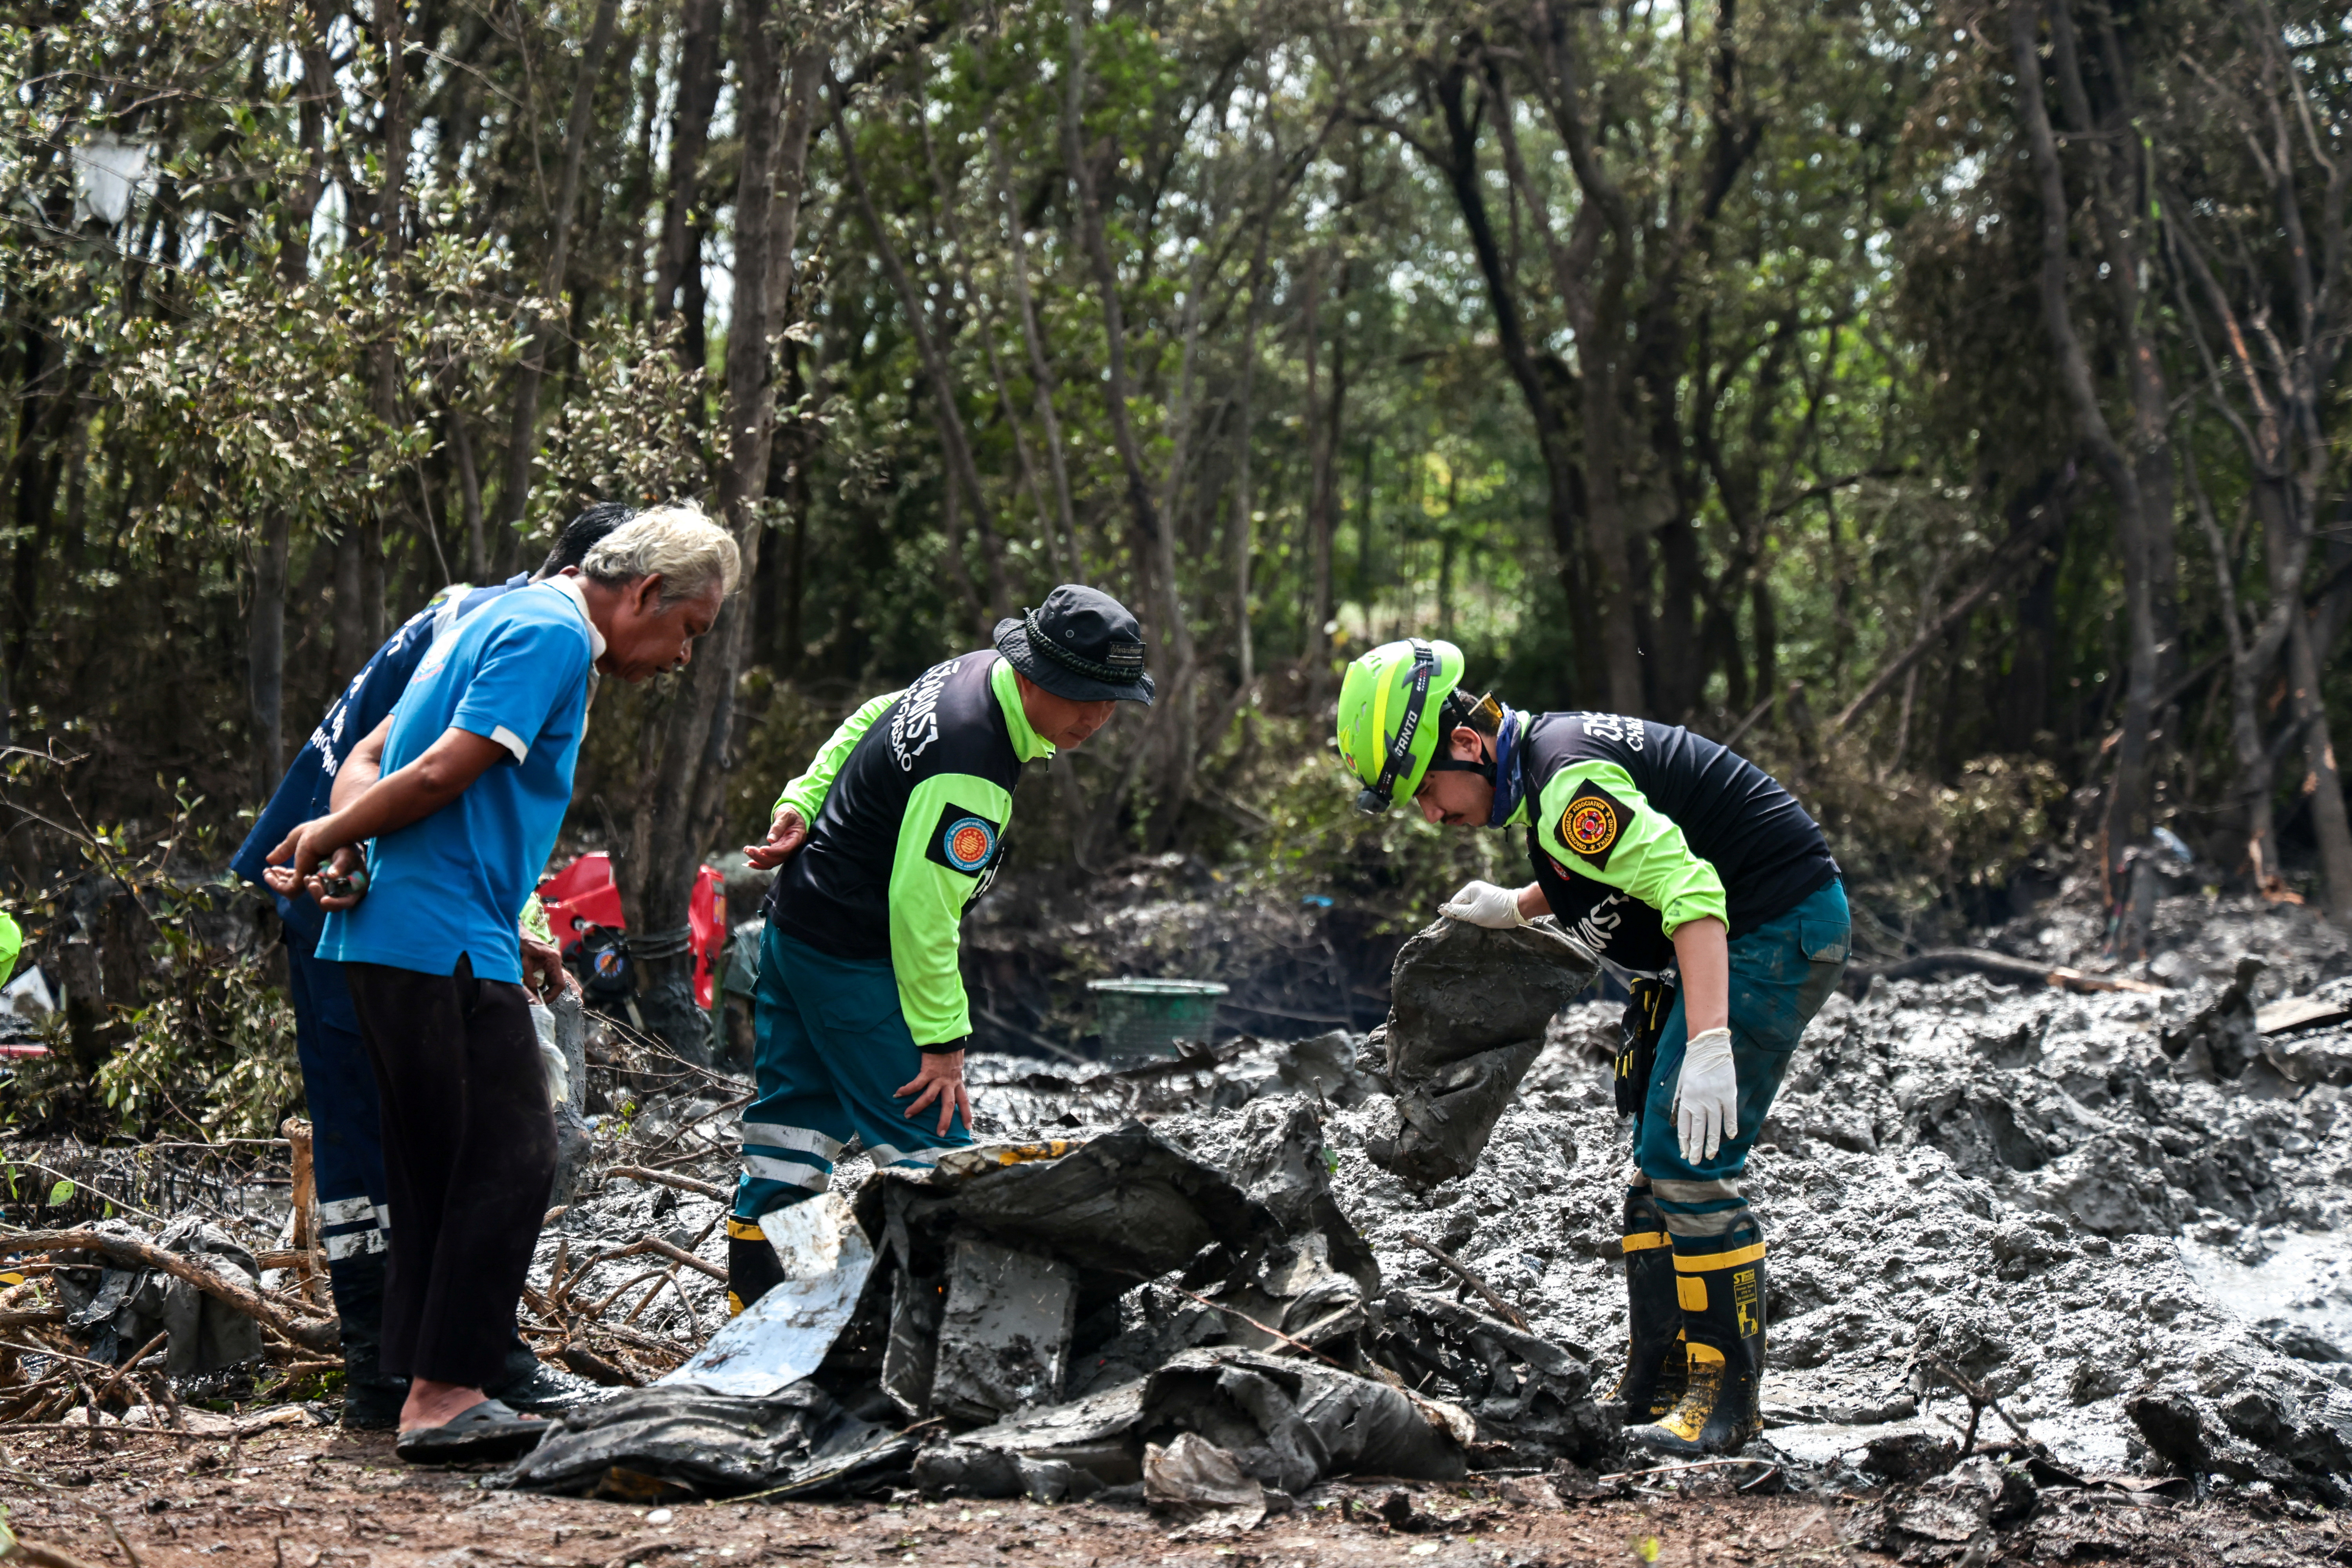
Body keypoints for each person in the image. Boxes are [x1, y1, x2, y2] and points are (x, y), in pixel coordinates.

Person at [267, 506, 740, 1462]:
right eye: (688, 630)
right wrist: (326, 835)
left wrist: (360, 839)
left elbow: (376, 754)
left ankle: (423, 1382)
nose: (682, 656)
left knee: (439, 1166)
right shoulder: (559, 633)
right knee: (511, 1152)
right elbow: (443, 770)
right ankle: (446, 1393)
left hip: (408, 931)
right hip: (437, 937)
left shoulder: (487, 614)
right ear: (645, 593)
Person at [1334, 639, 1849, 1456]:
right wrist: (1520, 905)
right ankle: (1656, 1383)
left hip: (1768, 931)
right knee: (1653, 1166)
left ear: (1467, 742)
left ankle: (1726, 1409)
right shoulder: (1548, 767)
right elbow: (1612, 867)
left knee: (1689, 1162)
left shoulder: (1569, 779)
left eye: (1429, 789)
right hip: (1711, 940)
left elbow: (1690, 891)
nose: (1433, 815)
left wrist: (1711, 1040)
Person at [227, 504, 631, 1428]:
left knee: (445, 1137)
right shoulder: (516, 625)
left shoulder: (501, 619)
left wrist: (512, 917)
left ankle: (450, 1366)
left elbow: (462, 810)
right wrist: (345, 847)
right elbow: (385, 764)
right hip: (340, 883)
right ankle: (394, 1365)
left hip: (381, 875)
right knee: (403, 1138)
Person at [726, 585, 1153, 1315]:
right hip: (854, 958)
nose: (1096, 717)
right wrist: (944, 1042)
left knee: (789, 1133)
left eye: (1113, 701)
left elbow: (869, 717)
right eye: (1082, 695)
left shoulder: (969, 672)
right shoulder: (973, 768)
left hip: (796, 926)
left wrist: (802, 797)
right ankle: (948, 1331)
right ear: (1033, 674)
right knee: (935, 1153)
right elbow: (922, 914)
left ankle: (758, 1317)